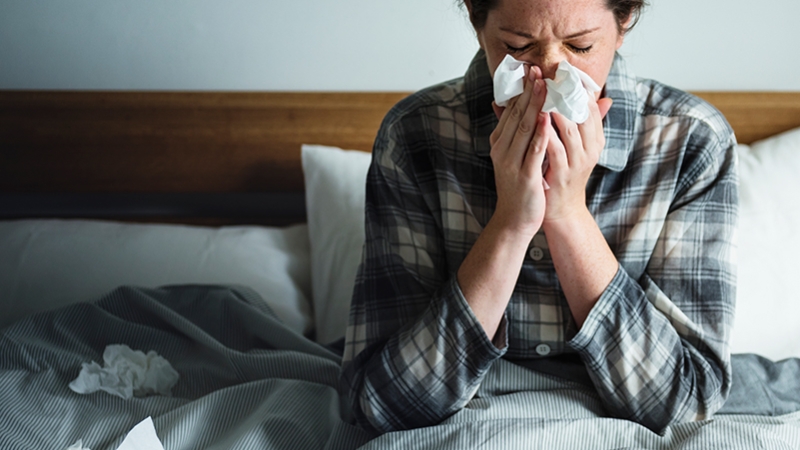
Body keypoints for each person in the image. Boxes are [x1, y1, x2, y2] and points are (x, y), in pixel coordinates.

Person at [340, 0, 738, 434]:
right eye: (518, 47)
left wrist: (568, 214)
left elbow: (686, 401)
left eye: (581, 46)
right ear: (477, 21)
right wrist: (511, 223)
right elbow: (380, 404)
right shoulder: (415, 136)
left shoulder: (690, 141)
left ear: (623, 24)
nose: (549, 73)